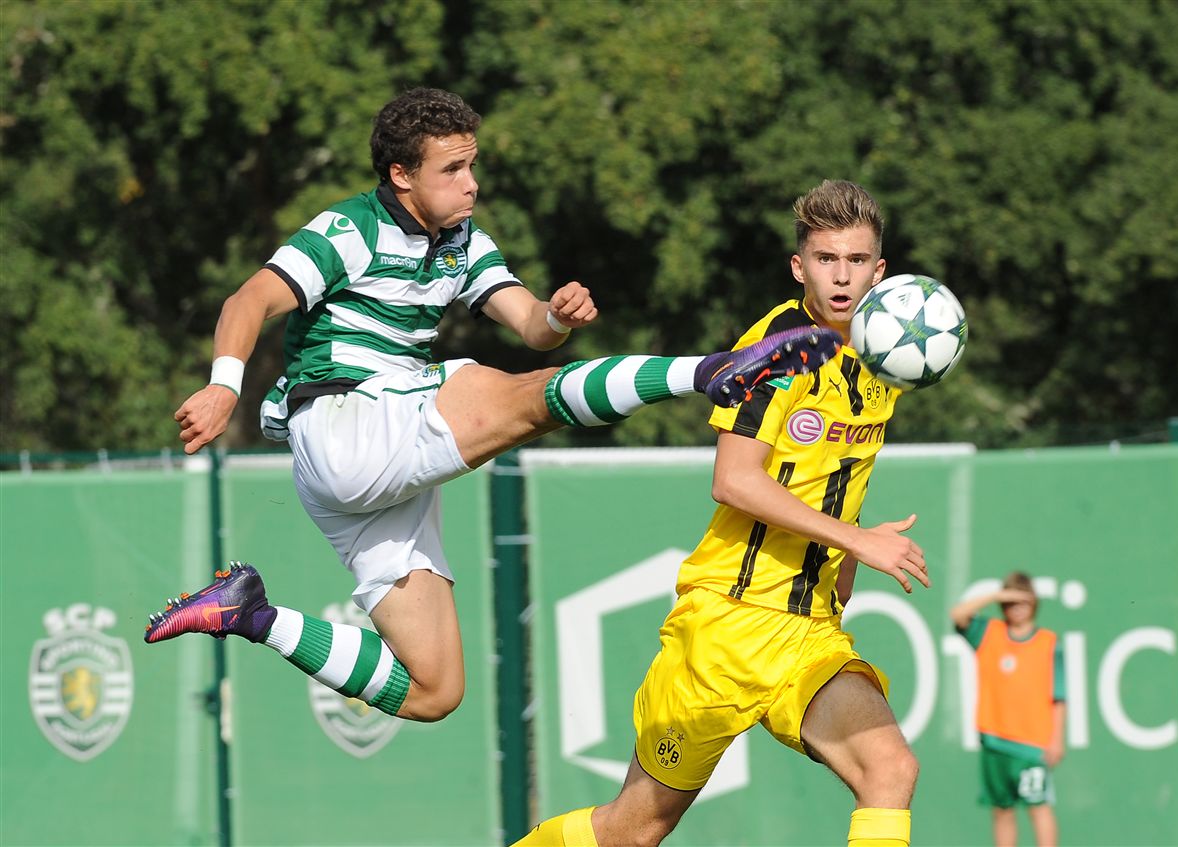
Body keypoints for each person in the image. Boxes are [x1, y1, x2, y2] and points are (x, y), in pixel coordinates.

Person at [144, 87, 838, 728]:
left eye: (472, 164)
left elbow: (531, 325)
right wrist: (224, 384)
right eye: (453, 169)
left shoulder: (464, 241)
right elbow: (249, 300)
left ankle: (251, 612)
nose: (472, 182)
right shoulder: (347, 230)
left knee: (434, 690)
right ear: (401, 176)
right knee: (524, 398)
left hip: (364, 474)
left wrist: (558, 317)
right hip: (350, 420)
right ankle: (710, 371)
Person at [515, 180, 928, 847]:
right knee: (633, 829)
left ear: (880, 271)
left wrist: (847, 554)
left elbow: (837, 472)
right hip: (726, 629)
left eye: (857, 260)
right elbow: (733, 479)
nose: (842, 275)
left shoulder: (883, 356)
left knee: (891, 768)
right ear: (800, 267)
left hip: (808, 631)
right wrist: (854, 537)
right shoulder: (778, 347)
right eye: (827, 259)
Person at [950, 572, 1065, 847]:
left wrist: (1056, 740)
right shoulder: (990, 633)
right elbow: (958, 615)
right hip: (994, 741)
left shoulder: (1048, 643)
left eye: (1023, 602)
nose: (1017, 608)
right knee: (1002, 810)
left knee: (1039, 807)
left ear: (1034, 604)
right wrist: (997, 595)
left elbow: (1058, 696)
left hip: (1031, 745)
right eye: (1011, 602)